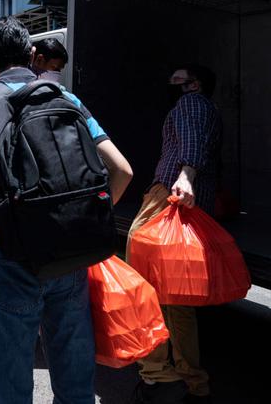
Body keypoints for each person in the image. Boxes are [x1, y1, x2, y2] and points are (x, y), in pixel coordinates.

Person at [0, 17, 133, 404]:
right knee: (75, 382)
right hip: (72, 254)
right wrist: (87, 221)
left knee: (10, 383)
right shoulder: (66, 98)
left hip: (12, 253)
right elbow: (122, 170)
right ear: (31, 55)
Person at [129, 65, 221, 404]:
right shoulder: (210, 109)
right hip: (191, 202)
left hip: (169, 196)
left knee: (142, 283)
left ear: (194, 84)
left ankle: (156, 376)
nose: (171, 83)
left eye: (177, 79)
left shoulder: (191, 104)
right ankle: (192, 382)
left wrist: (184, 177)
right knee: (177, 300)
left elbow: (192, 142)